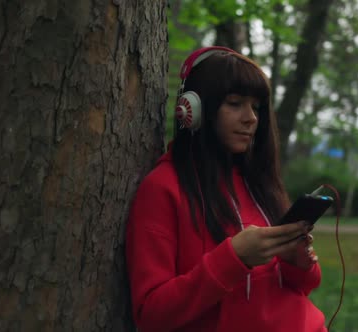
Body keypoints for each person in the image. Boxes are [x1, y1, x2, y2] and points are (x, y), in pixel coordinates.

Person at [125, 46, 327, 332]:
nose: (251, 118)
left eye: (256, 107)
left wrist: (298, 261)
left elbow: (304, 286)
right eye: (235, 103)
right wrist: (234, 259)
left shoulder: (258, 182)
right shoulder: (163, 189)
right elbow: (151, 313)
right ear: (192, 110)